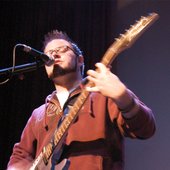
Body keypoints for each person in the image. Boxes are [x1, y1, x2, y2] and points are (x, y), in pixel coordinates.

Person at [7, 29, 156, 170]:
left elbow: (146, 129)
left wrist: (123, 96)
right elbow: (19, 157)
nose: (54, 55)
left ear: (80, 60)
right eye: (49, 53)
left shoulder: (103, 95)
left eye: (62, 50)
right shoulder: (38, 114)